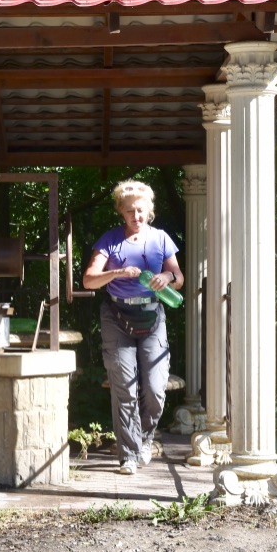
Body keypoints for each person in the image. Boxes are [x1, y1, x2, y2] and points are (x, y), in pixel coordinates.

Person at [82, 179, 183, 475]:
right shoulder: (109, 241)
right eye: (129, 212)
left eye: (140, 211)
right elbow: (89, 280)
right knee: (124, 387)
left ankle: (144, 440)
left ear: (149, 210)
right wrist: (116, 272)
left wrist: (166, 276)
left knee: (154, 388)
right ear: (121, 212)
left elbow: (178, 278)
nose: (135, 217)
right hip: (116, 316)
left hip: (153, 316)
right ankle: (128, 455)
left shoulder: (161, 238)